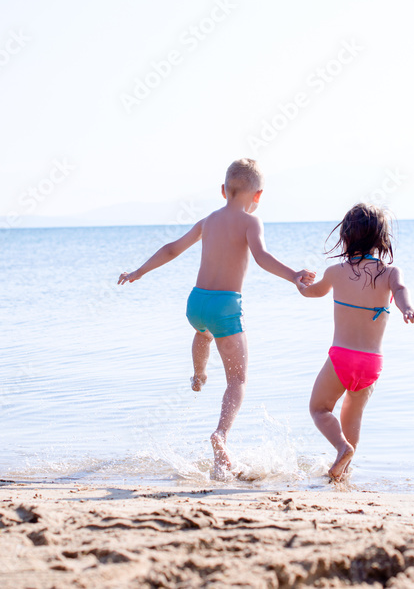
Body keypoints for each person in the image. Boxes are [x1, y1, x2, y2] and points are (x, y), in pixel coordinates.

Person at [118, 159, 314, 477]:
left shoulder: (208, 221)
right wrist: (294, 276)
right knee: (237, 380)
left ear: (223, 190)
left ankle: (198, 374)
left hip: (196, 304)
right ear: (258, 196)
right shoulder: (252, 223)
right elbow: (262, 258)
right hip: (226, 306)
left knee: (203, 332)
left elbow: (171, 249)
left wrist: (139, 271)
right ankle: (220, 435)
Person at [296, 203, 414, 481]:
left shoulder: (334, 272)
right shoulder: (390, 273)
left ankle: (342, 447)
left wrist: (301, 284)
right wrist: (408, 309)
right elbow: (401, 291)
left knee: (319, 409)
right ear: (382, 240)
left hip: (341, 357)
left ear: (345, 236)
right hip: (371, 364)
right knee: (352, 413)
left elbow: (312, 293)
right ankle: (344, 470)